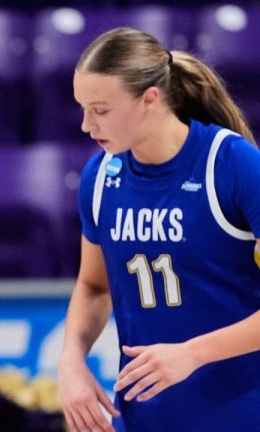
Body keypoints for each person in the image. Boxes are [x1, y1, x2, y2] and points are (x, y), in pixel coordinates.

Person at [58, 27, 260, 432]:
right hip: (143, 418)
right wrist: (71, 361)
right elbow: (95, 287)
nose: (86, 124)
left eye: (100, 109)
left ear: (150, 99)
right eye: (82, 108)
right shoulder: (100, 177)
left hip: (240, 413)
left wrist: (194, 353)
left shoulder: (234, 164)